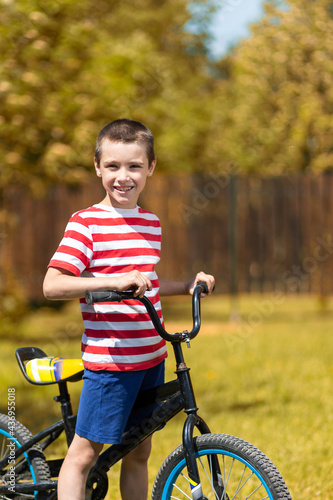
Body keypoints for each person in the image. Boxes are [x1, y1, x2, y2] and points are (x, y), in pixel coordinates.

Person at [43, 118, 215, 500]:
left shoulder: (150, 223)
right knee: (83, 456)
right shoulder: (85, 224)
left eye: (134, 166)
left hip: (151, 357)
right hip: (111, 364)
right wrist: (110, 281)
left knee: (138, 453)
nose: (124, 177)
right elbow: (52, 285)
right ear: (97, 167)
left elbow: (147, 283)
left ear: (150, 167)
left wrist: (187, 285)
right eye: (113, 166)